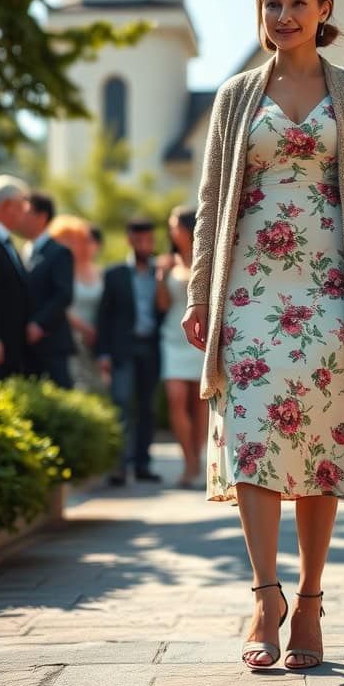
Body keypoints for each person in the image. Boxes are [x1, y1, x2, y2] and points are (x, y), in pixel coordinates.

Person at [183, 0, 344, 671]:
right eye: (271, 4)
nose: (283, 16)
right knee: (252, 430)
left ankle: (308, 600)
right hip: (249, 292)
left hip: (331, 287)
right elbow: (213, 201)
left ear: (324, 8)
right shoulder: (236, 96)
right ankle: (264, 594)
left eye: (297, 2)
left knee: (323, 440)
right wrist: (198, 291)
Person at [96, 217, 162, 485]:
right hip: (123, 348)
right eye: (139, 240)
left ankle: (142, 464)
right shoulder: (114, 274)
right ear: (130, 240)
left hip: (153, 346)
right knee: (121, 404)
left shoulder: (161, 271)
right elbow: (104, 316)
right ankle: (119, 466)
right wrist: (103, 353)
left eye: (148, 239)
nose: (144, 244)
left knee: (148, 407)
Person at [156, 206, 207, 488]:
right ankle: (187, 461)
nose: (171, 231)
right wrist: (161, 278)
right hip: (172, 338)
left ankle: (197, 462)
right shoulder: (167, 262)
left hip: (200, 337)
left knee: (200, 404)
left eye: (175, 225)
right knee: (175, 397)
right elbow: (161, 305)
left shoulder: (205, 259)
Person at [22, 192, 75, 389]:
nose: (21, 217)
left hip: (52, 342)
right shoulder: (23, 251)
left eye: (26, 212)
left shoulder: (59, 252)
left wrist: (39, 324)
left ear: (42, 216)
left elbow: (64, 294)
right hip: (27, 345)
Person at [48, 215, 105, 393]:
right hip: (70, 338)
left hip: (96, 341)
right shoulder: (61, 271)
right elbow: (58, 304)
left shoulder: (100, 272)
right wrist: (83, 328)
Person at [0, 175, 31, 379]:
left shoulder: (3, 238)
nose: (25, 212)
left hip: (10, 344)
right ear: (6, 205)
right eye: (22, 205)